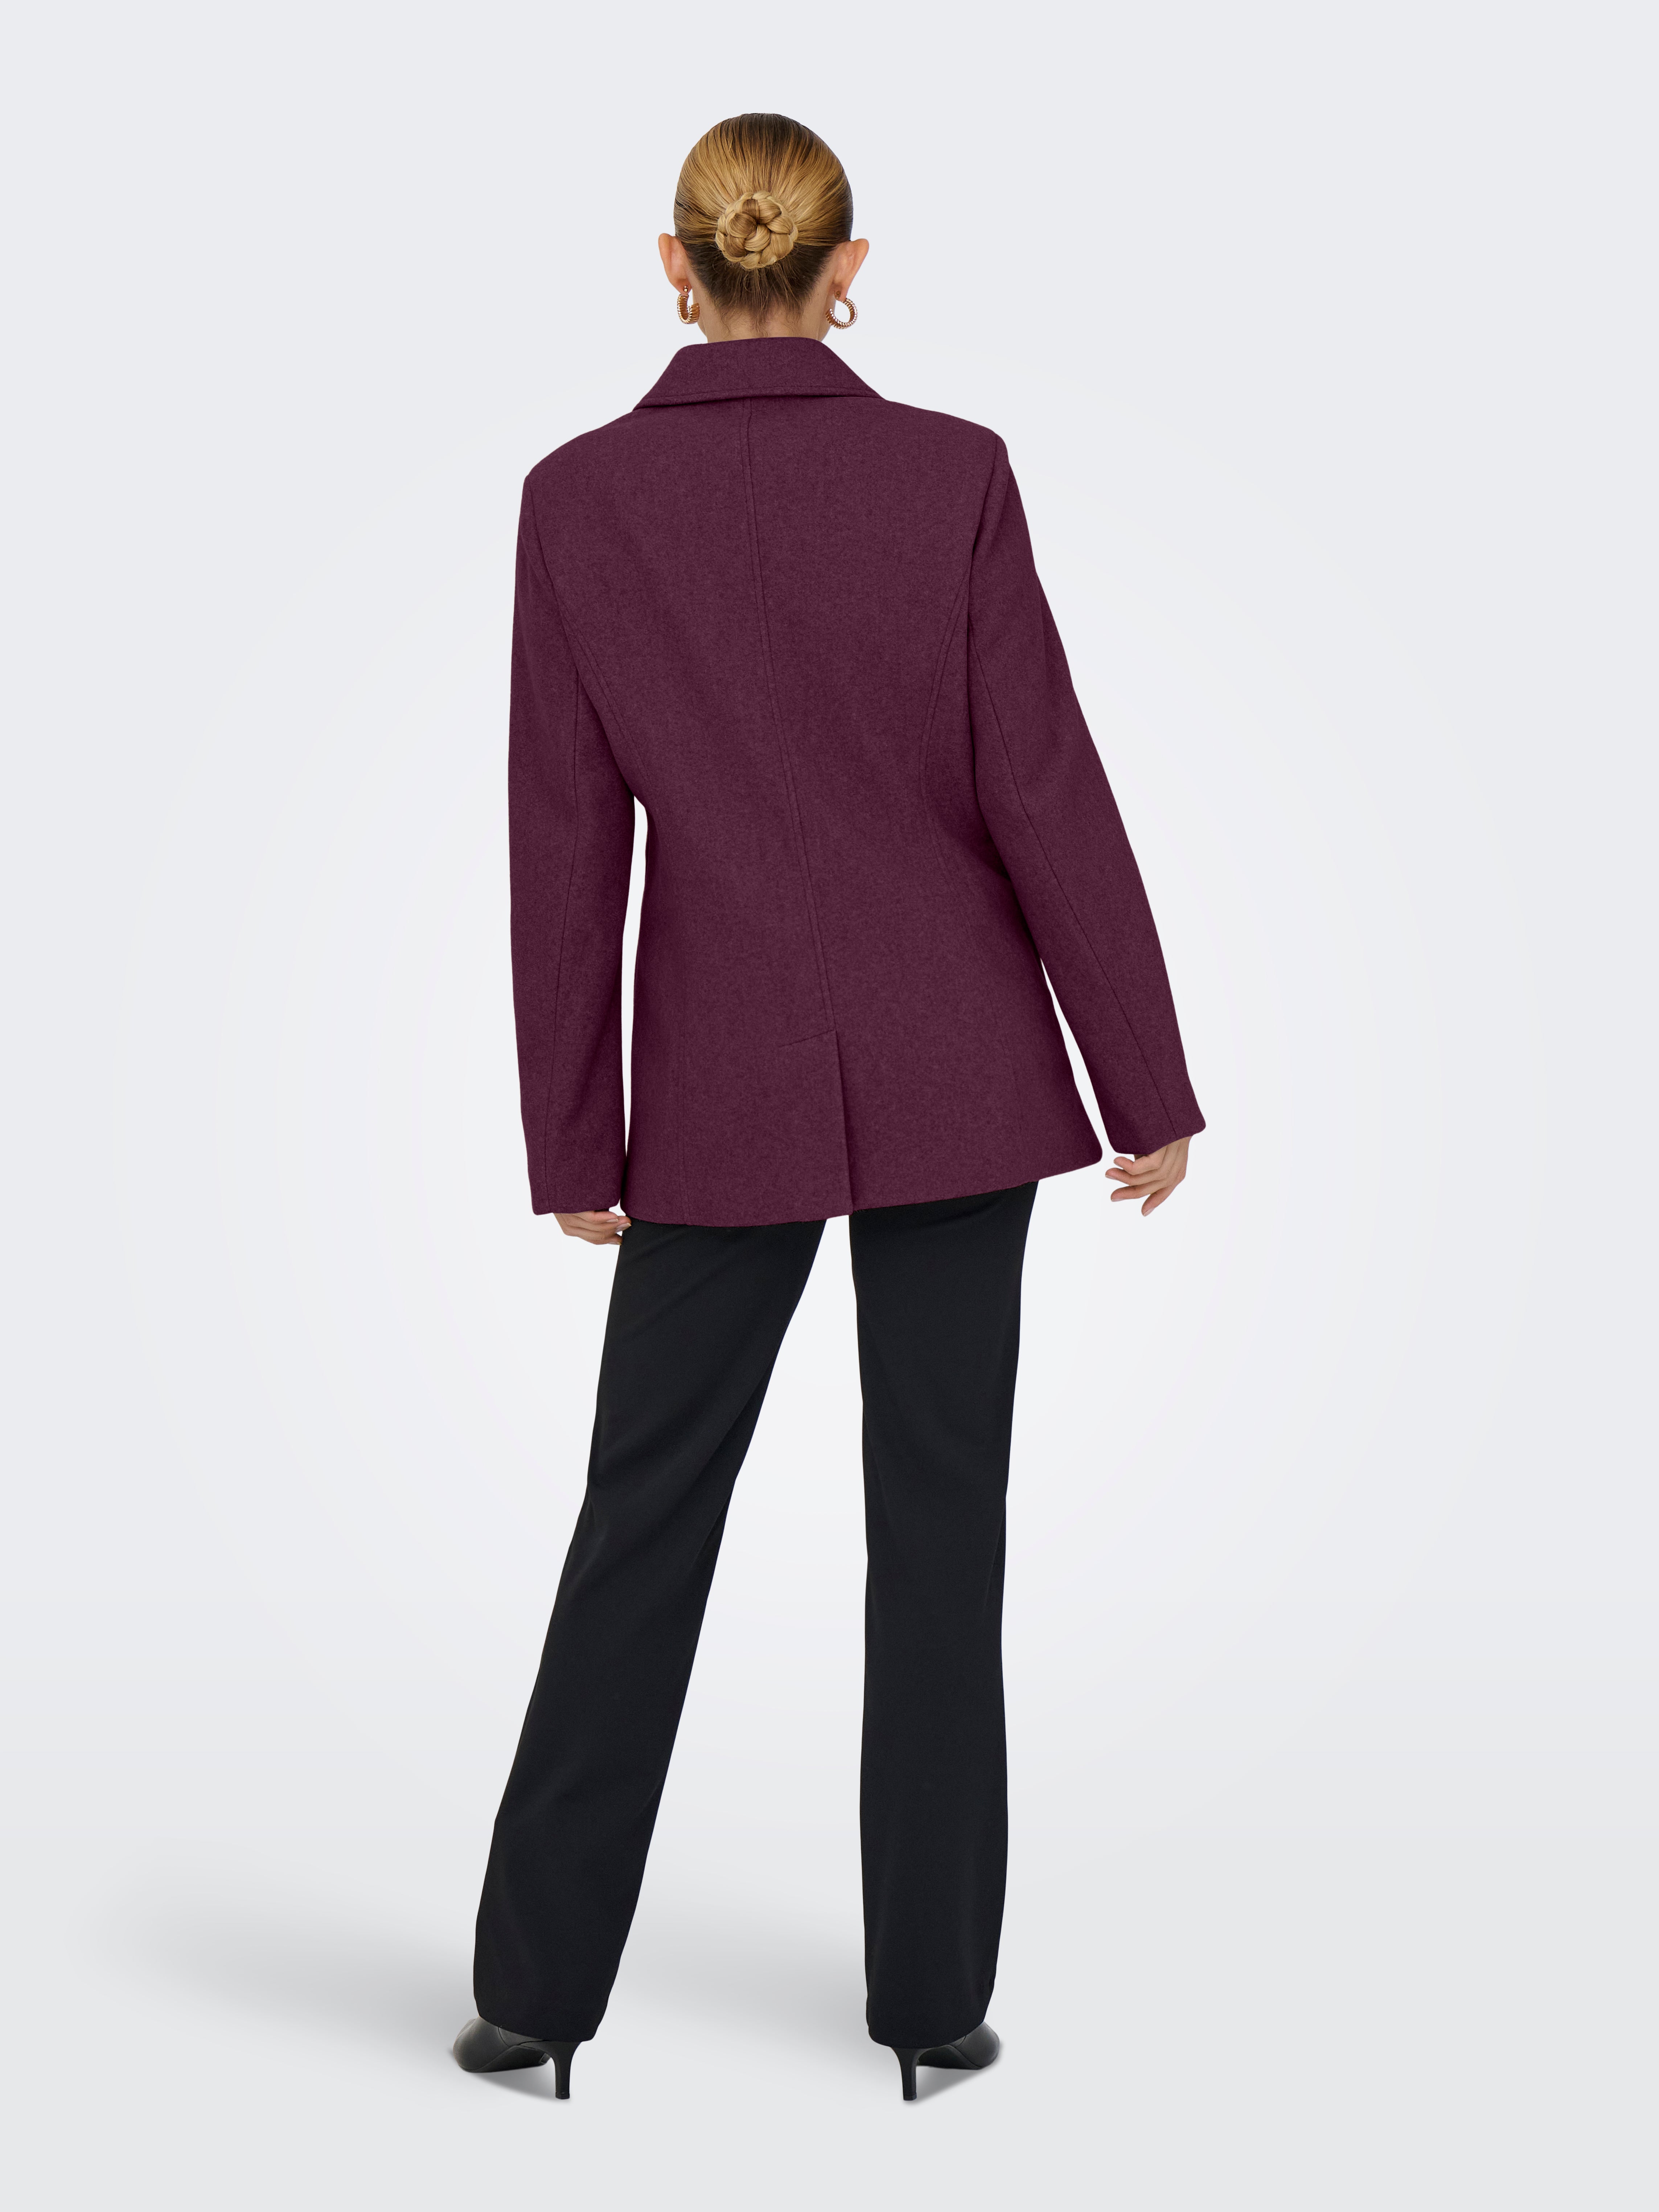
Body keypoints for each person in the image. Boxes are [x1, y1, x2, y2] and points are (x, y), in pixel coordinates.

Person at [452, 111, 1203, 2104]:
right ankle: (933, 2008)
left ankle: (534, 2001)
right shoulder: (952, 474)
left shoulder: (579, 500)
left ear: (676, 265)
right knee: (944, 1529)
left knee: (642, 1518)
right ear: (848, 267)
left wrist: (574, 1134)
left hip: (718, 1083)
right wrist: (1141, 1076)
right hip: (963, 1066)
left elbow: (563, 839)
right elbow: (1043, 782)